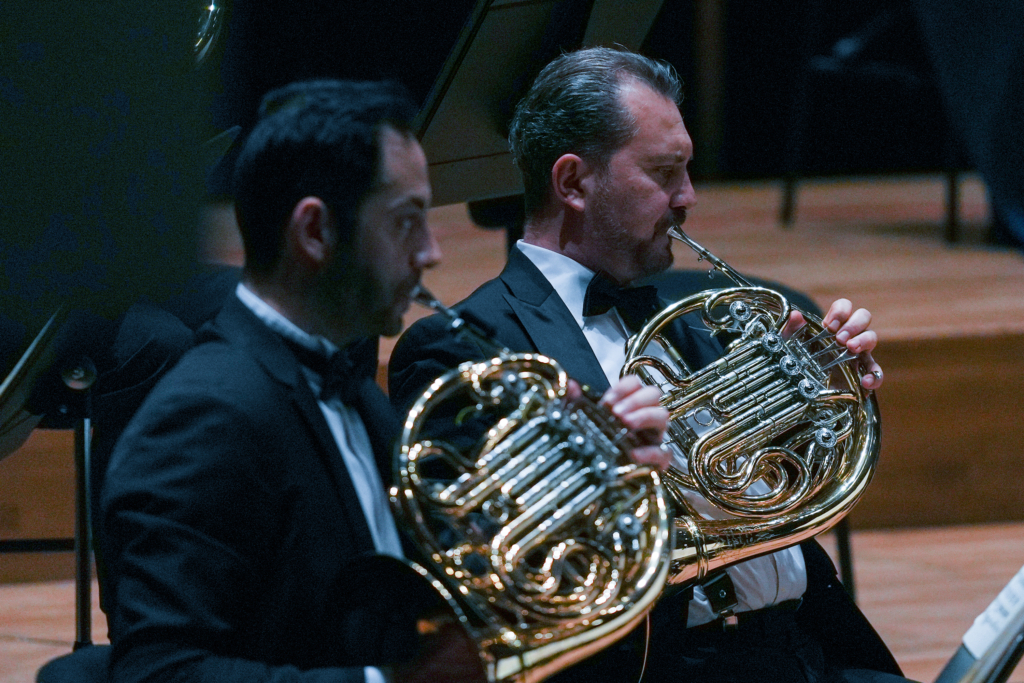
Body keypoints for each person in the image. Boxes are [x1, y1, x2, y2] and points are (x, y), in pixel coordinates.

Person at [100, 78, 670, 683]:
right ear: (314, 233)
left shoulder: (359, 400)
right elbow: (159, 671)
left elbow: (434, 576)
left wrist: (583, 477)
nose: (431, 254)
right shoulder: (205, 418)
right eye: (406, 223)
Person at [389, 47, 908, 683]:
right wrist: (597, 460)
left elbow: (753, 486)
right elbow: (481, 568)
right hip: (665, 667)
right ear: (574, 183)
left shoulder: (691, 313)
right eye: (665, 174)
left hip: (810, 646)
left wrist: (822, 392)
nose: (688, 197)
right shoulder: (463, 348)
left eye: (687, 171)